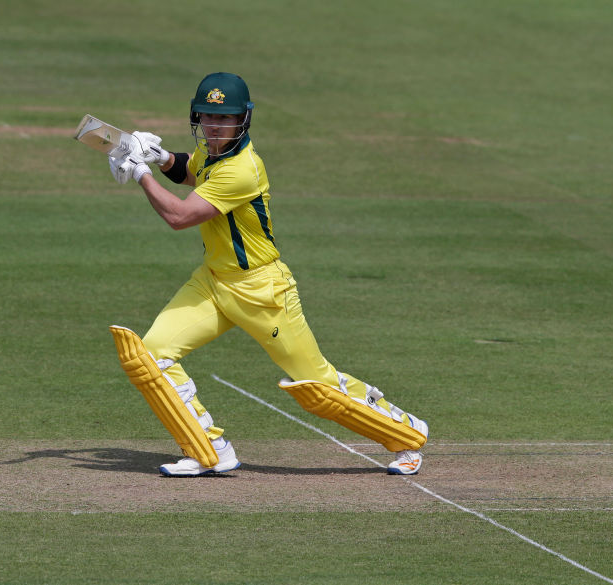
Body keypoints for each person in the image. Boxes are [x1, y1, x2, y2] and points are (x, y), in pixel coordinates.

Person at [107, 72, 428, 477]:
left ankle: (407, 436)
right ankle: (209, 451)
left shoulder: (242, 169)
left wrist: (141, 174)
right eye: (207, 117)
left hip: (263, 291)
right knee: (148, 357)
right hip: (213, 282)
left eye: (224, 119)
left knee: (318, 389)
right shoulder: (212, 152)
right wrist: (161, 157)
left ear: (244, 119)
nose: (214, 126)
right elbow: (195, 171)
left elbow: (179, 216)